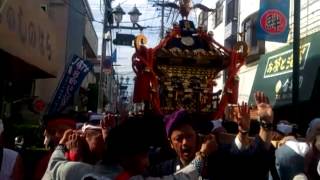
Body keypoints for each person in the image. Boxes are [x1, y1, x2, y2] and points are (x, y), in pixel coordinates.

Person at [42, 115, 216, 180]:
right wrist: (203, 153)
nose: (148, 162)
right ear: (127, 157)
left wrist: (63, 148)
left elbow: (55, 163)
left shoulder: (70, 171)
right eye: (144, 155)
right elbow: (185, 176)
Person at [210, 91, 278, 180]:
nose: (185, 143)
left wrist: (266, 123)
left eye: (189, 136)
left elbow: (257, 162)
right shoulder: (208, 163)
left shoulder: (220, 157)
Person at [34, 114, 76, 180]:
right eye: (52, 132)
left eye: (62, 131)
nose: (57, 135)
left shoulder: (81, 158)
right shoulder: (45, 161)